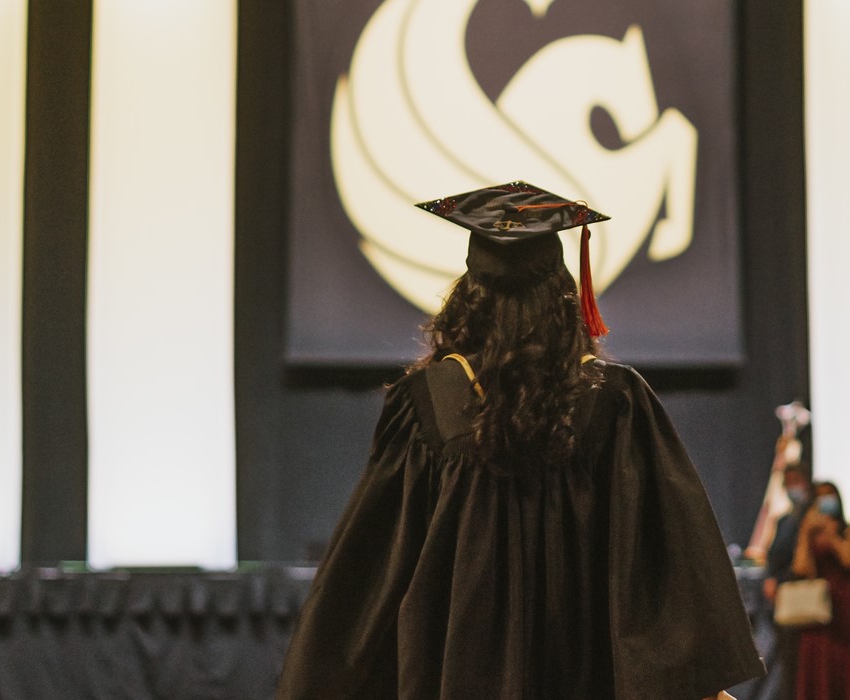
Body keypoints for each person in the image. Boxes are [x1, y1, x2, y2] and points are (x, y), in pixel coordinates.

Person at [274, 182, 763, 699]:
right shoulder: (615, 401)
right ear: (564, 297)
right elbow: (662, 570)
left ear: (469, 295)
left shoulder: (425, 404)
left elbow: (377, 569)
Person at [791, 481, 850, 700]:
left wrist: (831, 535)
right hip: (817, 609)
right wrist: (806, 532)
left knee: (844, 662)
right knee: (816, 662)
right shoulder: (808, 532)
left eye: (829, 497)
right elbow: (801, 568)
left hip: (844, 606)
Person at [747, 465, 811, 700]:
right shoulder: (784, 520)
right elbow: (775, 555)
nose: (792, 486)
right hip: (779, 602)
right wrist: (771, 579)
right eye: (788, 481)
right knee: (776, 660)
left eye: (796, 480)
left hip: (800, 597)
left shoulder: (809, 517)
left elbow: (801, 562)